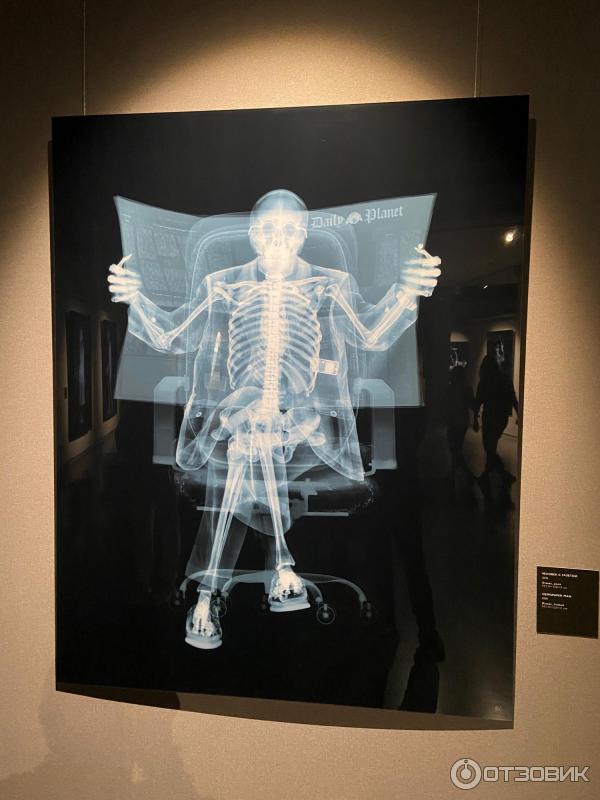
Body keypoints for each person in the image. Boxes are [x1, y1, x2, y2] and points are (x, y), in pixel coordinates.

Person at [108, 189, 442, 649]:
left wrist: (408, 291)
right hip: (242, 419)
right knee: (253, 427)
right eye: (268, 229)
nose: (278, 239)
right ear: (253, 234)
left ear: (302, 235)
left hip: (306, 424)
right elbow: (172, 336)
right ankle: (282, 569)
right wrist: (135, 299)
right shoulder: (224, 285)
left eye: (289, 230)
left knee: (250, 439)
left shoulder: (328, 283)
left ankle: (206, 595)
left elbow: (370, 334)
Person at [474, 353, 518, 482]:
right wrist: (519, 414)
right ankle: (496, 474)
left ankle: (495, 474)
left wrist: (475, 418)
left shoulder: (485, 381)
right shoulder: (505, 379)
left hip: (489, 417)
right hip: (501, 417)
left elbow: (478, 401)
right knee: (491, 447)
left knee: (489, 447)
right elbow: (513, 398)